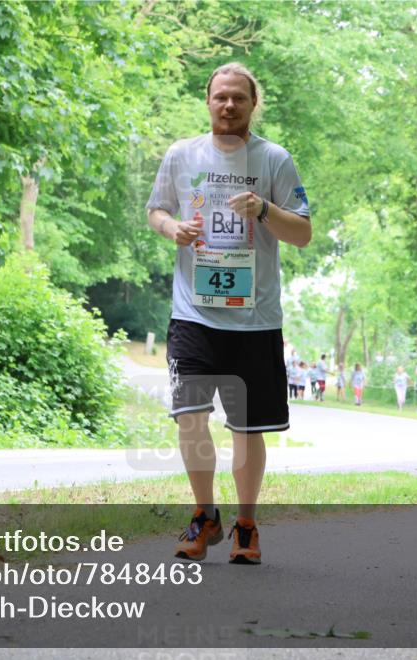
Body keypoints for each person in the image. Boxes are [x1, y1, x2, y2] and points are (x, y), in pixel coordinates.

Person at [146, 62, 311, 566]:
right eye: (220, 96)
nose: (229, 105)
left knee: (247, 428)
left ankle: (245, 524)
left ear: (252, 104)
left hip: (255, 319)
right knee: (189, 419)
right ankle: (204, 515)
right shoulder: (182, 155)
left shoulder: (275, 160)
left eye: (239, 97)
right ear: (208, 100)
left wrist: (263, 209)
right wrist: (172, 228)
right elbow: (156, 210)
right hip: (193, 313)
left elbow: (302, 233)